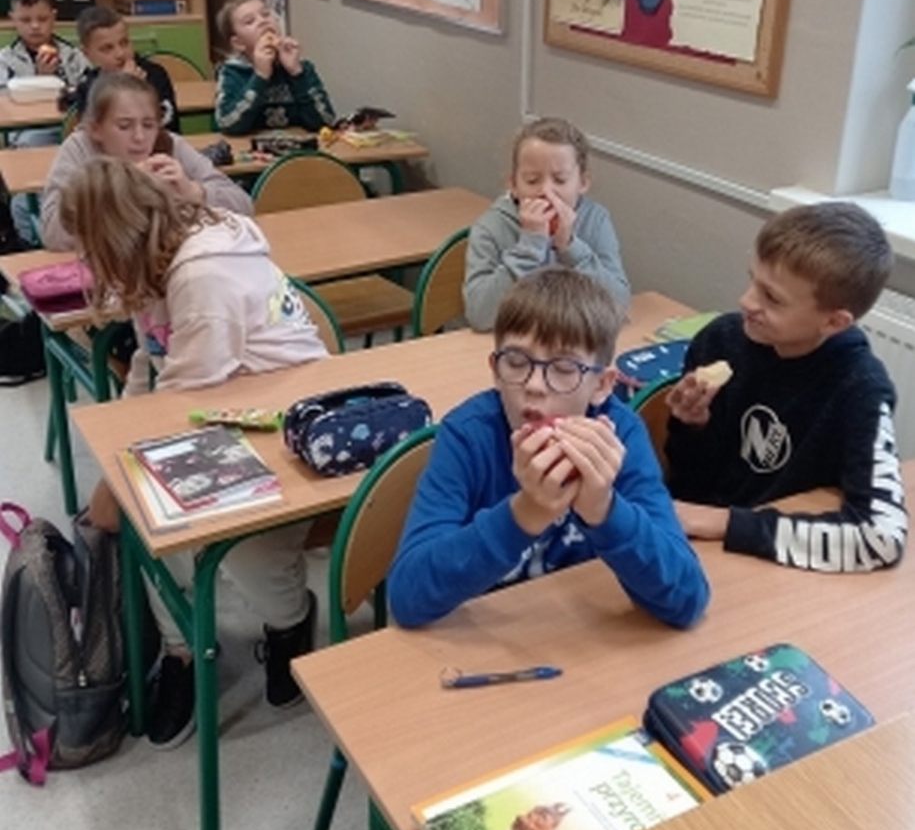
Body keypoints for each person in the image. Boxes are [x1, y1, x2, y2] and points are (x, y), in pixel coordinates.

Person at [59, 156, 328, 747]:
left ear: (120, 237)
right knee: (149, 524)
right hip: (218, 408)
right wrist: (117, 444)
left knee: (248, 559)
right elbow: (151, 361)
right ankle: (182, 652)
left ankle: (290, 622)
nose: (86, 263)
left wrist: (116, 477)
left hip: (279, 427)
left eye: (91, 250)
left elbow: (182, 397)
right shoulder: (153, 258)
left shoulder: (203, 275)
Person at [388, 268, 709, 628]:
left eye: (564, 368)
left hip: (577, 633)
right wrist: (524, 514)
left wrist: (604, 510)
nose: (535, 385)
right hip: (487, 633)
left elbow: (687, 599)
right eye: (516, 362)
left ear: (602, 385)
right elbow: (407, 599)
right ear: (495, 370)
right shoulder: (467, 436)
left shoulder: (618, 436)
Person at [665, 201, 908, 573]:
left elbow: (882, 538)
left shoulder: (860, 389)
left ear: (834, 322)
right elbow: (690, 481)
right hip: (693, 548)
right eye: (753, 280)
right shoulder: (721, 340)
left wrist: (725, 522)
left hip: (771, 560)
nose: (746, 301)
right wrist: (691, 426)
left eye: (772, 298)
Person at [40, 71, 252, 251]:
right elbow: (53, 233)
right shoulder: (79, 149)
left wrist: (193, 192)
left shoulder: (169, 144)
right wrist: (124, 191)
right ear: (96, 129)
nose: (140, 137)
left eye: (149, 125)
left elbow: (244, 205)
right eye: (124, 126)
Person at [463, 117, 630, 332]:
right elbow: (479, 314)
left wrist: (570, 247)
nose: (546, 191)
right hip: (517, 336)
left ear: (583, 182)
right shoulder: (491, 227)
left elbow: (619, 303)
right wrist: (529, 247)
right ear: (513, 184)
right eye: (532, 180)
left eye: (560, 180)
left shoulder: (596, 220)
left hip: (574, 335)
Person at [0, 0, 89, 242]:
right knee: (26, 196)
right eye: (26, 20)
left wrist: (56, 80)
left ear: (54, 18)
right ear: (13, 19)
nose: (35, 26)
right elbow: (5, 103)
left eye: (42, 19)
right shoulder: (5, 60)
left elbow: (87, 91)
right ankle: (30, 239)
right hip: (25, 138)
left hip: (69, 132)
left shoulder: (72, 56)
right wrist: (39, 79)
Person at [213, 0, 335, 136]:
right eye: (250, 21)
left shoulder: (301, 66)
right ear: (238, 43)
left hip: (296, 145)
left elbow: (325, 121)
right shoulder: (232, 72)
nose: (262, 21)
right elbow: (228, 124)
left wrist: (296, 73)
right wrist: (260, 77)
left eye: (266, 14)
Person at [70, 5, 180, 130]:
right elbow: (93, 133)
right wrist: (122, 91)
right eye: (107, 48)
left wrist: (138, 92)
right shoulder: (87, 87)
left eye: (124, 43)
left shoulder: (155, 74)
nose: (120, 54)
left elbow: (167, 125)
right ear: (87, 54)